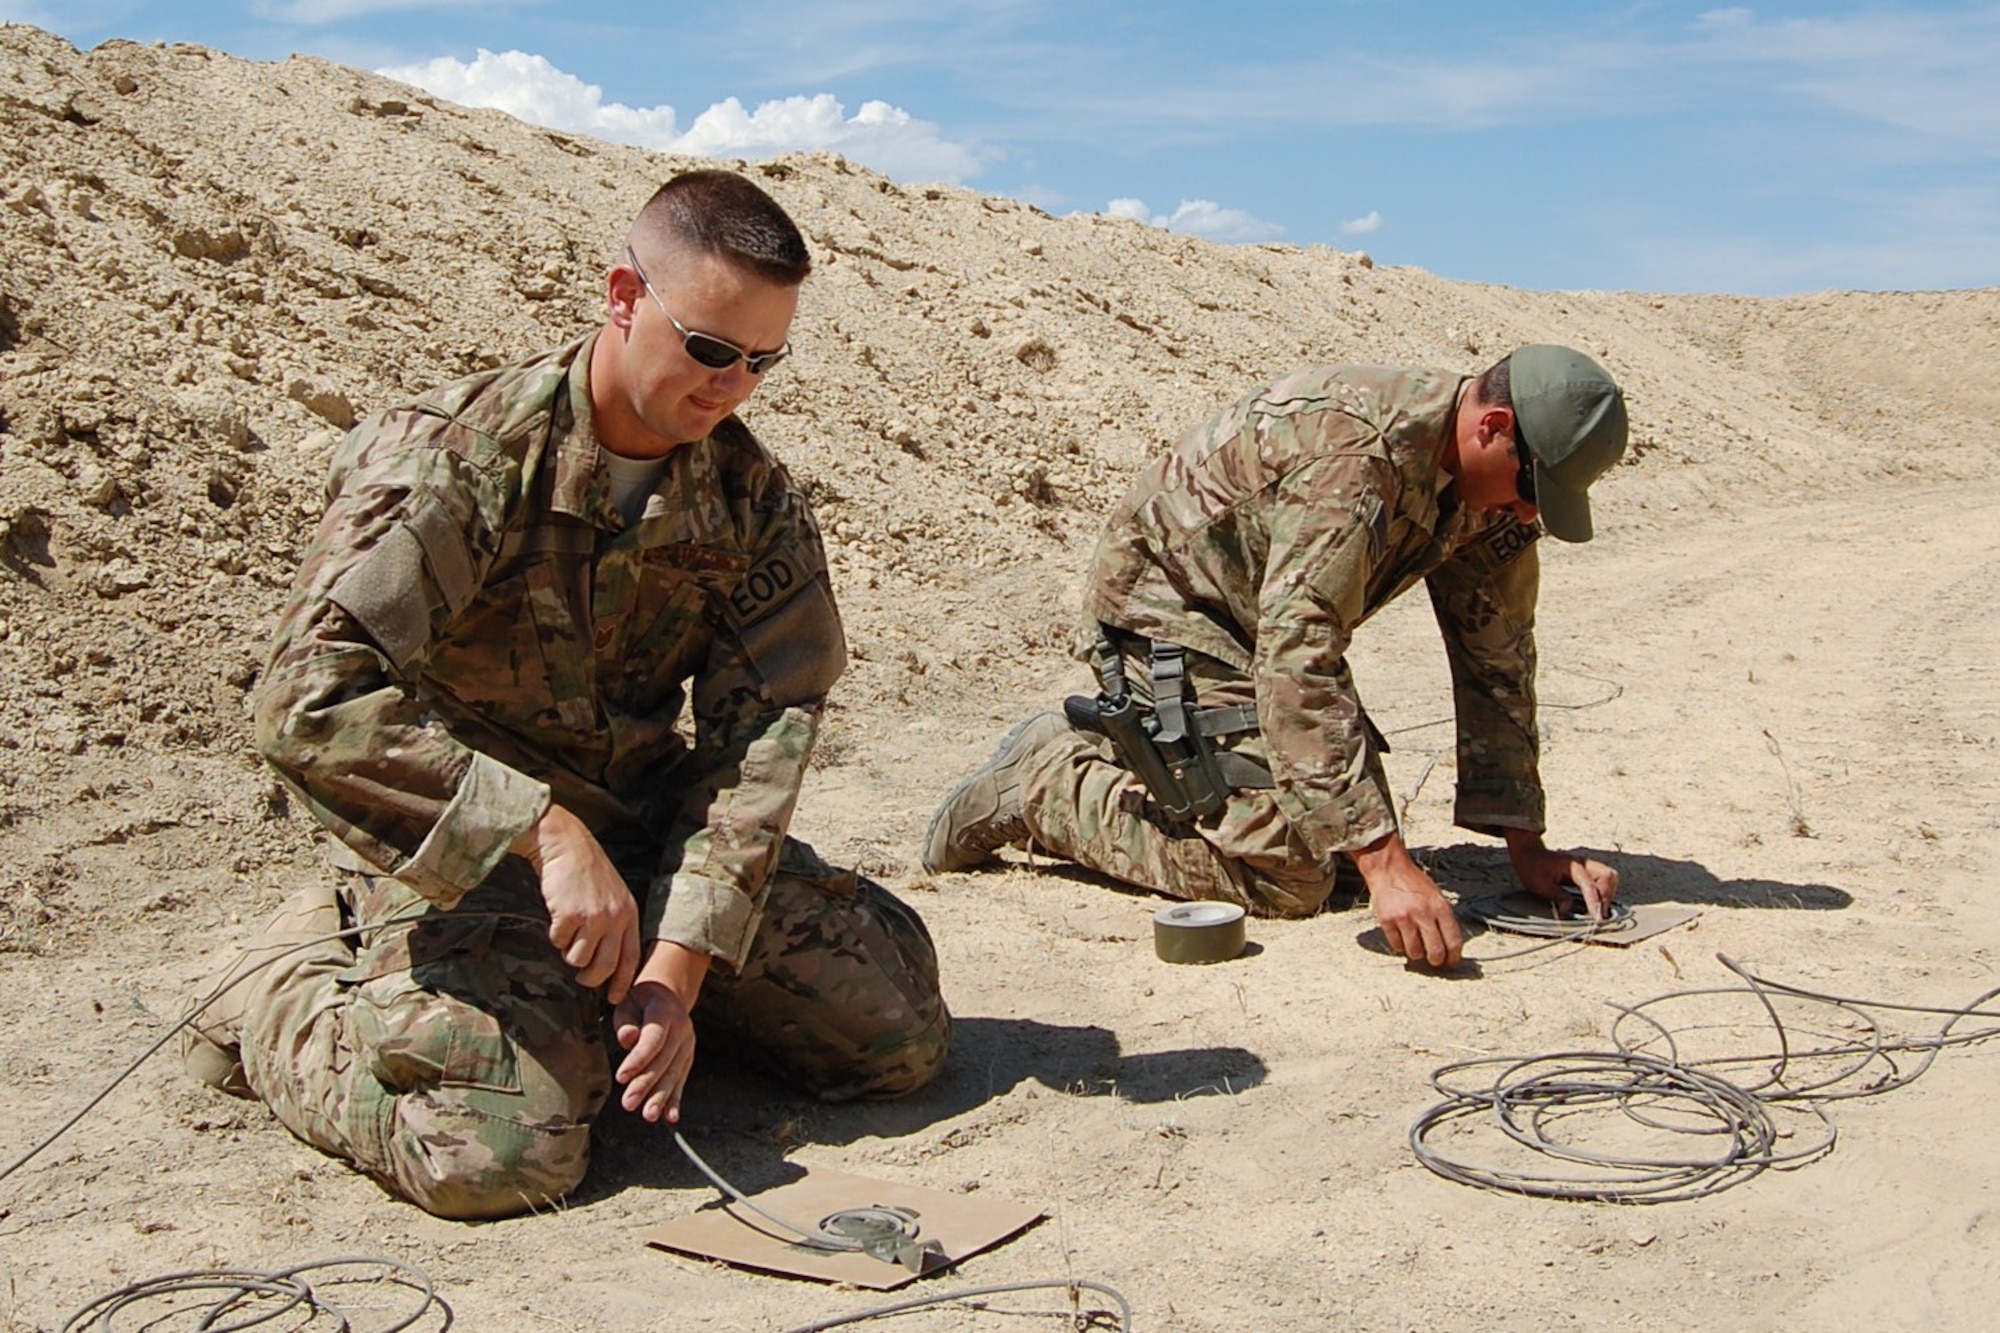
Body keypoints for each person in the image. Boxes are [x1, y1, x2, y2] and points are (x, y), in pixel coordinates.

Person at [184, 170, 949, 1220]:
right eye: (710, 350)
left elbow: (762, 733)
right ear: (624, 298)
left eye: (763, 361)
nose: (732, 388)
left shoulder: (749, 497)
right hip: (464, 854)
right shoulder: (459, 461)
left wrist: (677, 967)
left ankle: (597, 1011)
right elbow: (306, 700)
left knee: (893, 1036)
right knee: (500, 1153)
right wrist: (539, 831)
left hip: (632, 832)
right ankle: (277, 987)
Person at [922, 346, 1628, 969]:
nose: (1531, 515)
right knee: (1293, 873)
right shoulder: (1357, 459)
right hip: (1168, 614)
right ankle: (1045, 783)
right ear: (1494, 427)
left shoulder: (1484, 489)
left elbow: (1496, 652)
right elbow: (1299, 654)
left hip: (1258, 627)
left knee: (1339, 845)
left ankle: (1149, 758)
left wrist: (1524, 843)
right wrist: (1384, 861)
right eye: (1533, 490)